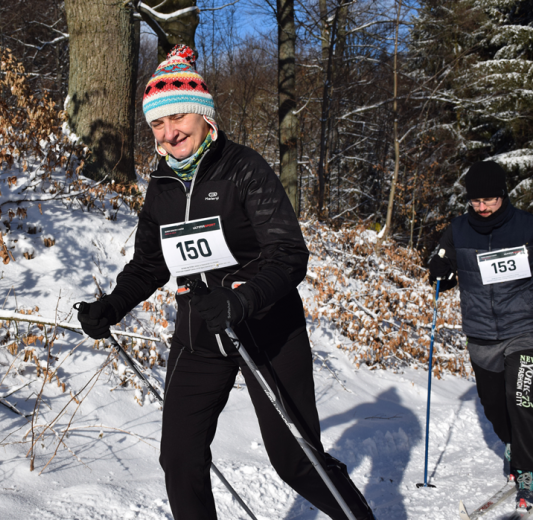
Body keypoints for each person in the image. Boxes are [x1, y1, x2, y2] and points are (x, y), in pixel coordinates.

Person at [76, 45, 374, 520]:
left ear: (203, 116)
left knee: (295, 461)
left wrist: (242, 300)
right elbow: (150, 265)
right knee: (179, 459)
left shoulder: (243, 169)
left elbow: (289, 254)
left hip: (266, 329)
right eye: (157, 123)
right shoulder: (161, 186)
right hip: (200, 334)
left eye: (178, 119)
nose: (169, 134)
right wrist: (112, 305)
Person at [429, 161, 533, 515]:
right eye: (475, 201)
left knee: (522, 400)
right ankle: (512, 445)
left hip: (524, 330)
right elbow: (440, 265)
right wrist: (440, 271)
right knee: (494, 406)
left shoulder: (527, 227)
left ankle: (528, 472)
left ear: (503, 194)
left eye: (488, 199)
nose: (482, 207)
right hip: (481, 333)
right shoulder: (458, 230)